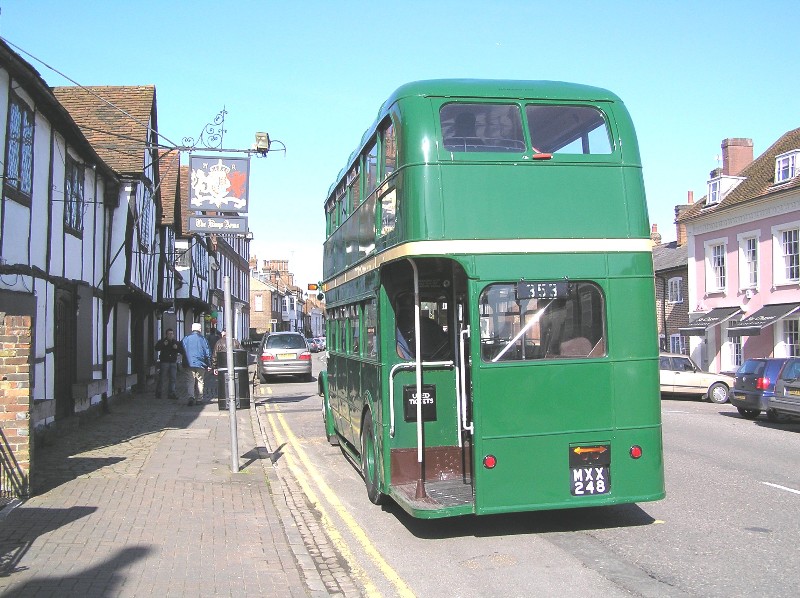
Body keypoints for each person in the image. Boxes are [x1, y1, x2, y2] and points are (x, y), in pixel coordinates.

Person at [182, 322, 211, 406]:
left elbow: (182, 349)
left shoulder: (186, 338)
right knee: (200, 381)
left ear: (192, 329)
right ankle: (199, 399)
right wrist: (209, 364)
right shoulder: (203, 339)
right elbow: (207, 352)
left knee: (190, 381)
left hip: (189, 363)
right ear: (200, 330)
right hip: (200, 363)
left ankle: (191, 396)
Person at [154, 328, 186, 400]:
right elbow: (156, 348)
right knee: (162, 378)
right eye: (169, 334)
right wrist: (163, 344)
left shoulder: (176, 342)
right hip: (164, 362)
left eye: (171, 334)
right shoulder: (162, 341)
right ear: (166, 335)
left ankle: (171, 393)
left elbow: (182, 351)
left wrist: (177, 348)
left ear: (173, 335)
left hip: (173, 362)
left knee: (173, 378)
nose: (170, 335)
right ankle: (159, 392)